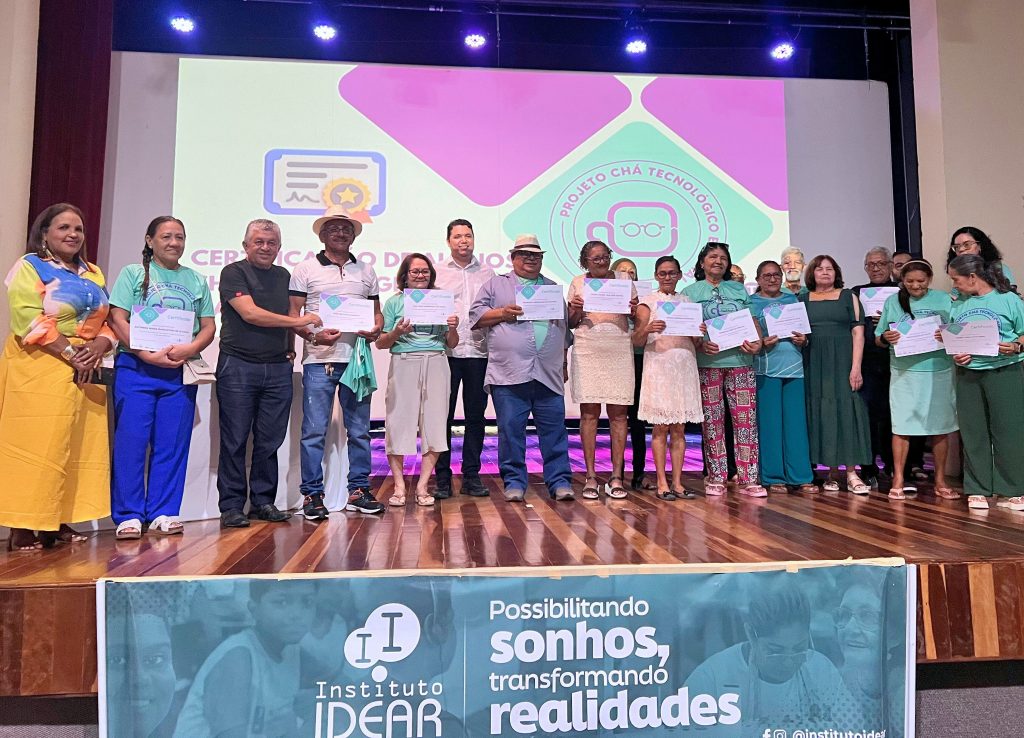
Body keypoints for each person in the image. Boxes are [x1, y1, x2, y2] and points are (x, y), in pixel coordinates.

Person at [0, 203, 114, 550]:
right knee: (35, 445)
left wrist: (101, 343)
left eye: (78, 229)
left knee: (74, 447)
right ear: (44, 233)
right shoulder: (29, 266)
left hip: (86, 370)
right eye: (64, 228)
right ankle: (23, 524)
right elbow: (28, 319)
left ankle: (57, 519)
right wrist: (71, 354)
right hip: (39, 366)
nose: (73, 234)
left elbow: (105, 320)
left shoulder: (93, 272)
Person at [108, 216, 216, 539]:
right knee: (130, 443)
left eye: (179, 237)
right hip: (136, 368)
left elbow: (208, 326)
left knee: (172, 443)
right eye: (167, 236)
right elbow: (117, 318)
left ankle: (164, 511)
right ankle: (128, 514)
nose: (174, 243)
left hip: (178, 371)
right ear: (150, 240)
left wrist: (190, 348)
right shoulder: (132, 273)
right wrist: (144, 352)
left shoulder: (196, 279)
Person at [216, 219, 323, 528]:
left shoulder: (283, 276)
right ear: (246, 245)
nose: (265, 247)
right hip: (238, 365)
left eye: (271, 243)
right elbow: (251, 314)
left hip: (277, 367)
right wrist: (300, 323)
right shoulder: (233, 272)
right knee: (235, 439)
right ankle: (232, 506)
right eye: (259, 242)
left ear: (279, 247)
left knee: (270, 439)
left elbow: (288, 316)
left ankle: (263, 501)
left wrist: (297, 343)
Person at [289, 206, 385, 515]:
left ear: (354, 235)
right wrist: (314, 337)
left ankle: (359, 490)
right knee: (314, 431)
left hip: (357, 359)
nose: (341, 233)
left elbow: (377, 314)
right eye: (333, 228)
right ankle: (312, 495)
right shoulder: (305, 269)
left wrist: (376, 329)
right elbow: (293, 316)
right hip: (319, 360)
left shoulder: (366, 271)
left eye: (346, 229)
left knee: (359, 431)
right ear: (322, 235)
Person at [469, 234, 574, 503]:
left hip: (548, 373)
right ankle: (514, 481)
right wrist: (503, 313)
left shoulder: (552, 288)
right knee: (511, 431)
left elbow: (563, 331)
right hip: (509, 373)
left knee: (555, 431)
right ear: (513, 257)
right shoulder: (495, 285)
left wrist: (563, 363)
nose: (530, 259)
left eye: (535, 255)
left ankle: (559, 481)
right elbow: (476, 317)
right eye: (524, 254)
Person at [686, 582, 860, 737]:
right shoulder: (711, 679)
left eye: (799, 649)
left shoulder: (821, 671)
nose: (789, 662)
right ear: (751, 635)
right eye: (775, 651)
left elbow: (855, 729)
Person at [173, 579, 316, 738]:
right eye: (281, 602)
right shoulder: (237, 658)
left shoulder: (292, 651)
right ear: (254, 609)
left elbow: (336, 686)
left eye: (307, 602)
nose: (297, 614)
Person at [682, 242, 767, 498]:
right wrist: (699, 343)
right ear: (702, 263)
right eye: (712, 257)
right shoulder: (690, 292)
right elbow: (687, 327)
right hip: (708, 364)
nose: (718, 261)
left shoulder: (738, 289)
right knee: (712, 422)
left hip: (741, 363)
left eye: (723, 257)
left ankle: (749, 478)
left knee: (746, 422)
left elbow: (753, 320)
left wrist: (758, 342)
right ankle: (716, 476)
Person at [942, 254, 1024, 511]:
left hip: (1005, 370)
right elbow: (954, 337)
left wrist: (1016, 345)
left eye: (956, 279)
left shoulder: (1008, 299)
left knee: (1009, 430)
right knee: (973, 431)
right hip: (969, 374)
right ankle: (977, 488)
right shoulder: (958, 305)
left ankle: (1012, 489)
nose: (954, 285)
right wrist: (957, 353)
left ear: (972, 277)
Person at [377, 254, 459, 507]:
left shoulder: (441, 300)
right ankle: (399, 486)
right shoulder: (394, 302)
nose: (421, 275)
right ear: (405, 275)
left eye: (425, 271)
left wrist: (453, 327)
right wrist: (397, 331)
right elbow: (381, 343)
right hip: (404, 361)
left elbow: (452, 343)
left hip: (437, 360)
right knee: (398, 423)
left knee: (435, 423)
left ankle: (423, 485)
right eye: (415, 271)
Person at [874, 260, 958, 500]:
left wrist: (947, 334)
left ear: (929, 279)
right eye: (910, 281)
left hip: (938, 370)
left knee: (940, 427)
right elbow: (878, 338)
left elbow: (959, 330)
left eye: (921, 281)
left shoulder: (944, 299)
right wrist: (886, 338)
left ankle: (940, 481)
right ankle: (898, 479)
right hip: (904, 372)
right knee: (902, 426)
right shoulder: (893, 301)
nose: (915, 285)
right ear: (902, 280)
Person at [567, 240, 635, 499]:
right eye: (596, 258)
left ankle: (617, 476)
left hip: (619, 348)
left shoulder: (623, 279)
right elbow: (572, 322)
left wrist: (633, 310)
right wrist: (575, 309)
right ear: (585, 262)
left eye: (605, 256)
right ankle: (591, 476)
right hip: (588, 349)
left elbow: (634, 316)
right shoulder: (578, 282)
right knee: (589, 414)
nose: (602, 261)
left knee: (619, 415)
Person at [631, 256, 703, 499]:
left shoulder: (688, 303)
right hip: (659, 368)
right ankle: (662, 482)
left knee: (680, 428)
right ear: (656, 275)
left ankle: (678, 483)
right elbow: (636, 341)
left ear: (680, 275)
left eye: (672, 273)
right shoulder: (647, 303)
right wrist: (647, 329)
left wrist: (699, 333)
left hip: (684, 366)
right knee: (661, 427)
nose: (667, 277)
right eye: (662, 273)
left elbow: (698, 343)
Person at [800, 255, 873, 492]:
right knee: (823, 412)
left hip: (843, 362)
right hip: (814, 363)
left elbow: (858, 333)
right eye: (819, 268)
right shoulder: (802, 299)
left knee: (847, 411)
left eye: (829, 268)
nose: (825, 272)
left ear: (836, 272)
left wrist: (856, 367)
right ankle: (830, 471)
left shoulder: (848, 296)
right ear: (811, 273)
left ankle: (851, 473)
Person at [432, 219, 494, 499]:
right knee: (442, 417)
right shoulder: (437, 272)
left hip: (479, 352)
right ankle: (442, 478)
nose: (463, 241)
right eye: (457, 236)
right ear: (448, 241)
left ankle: (471, 475)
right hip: (446, 352)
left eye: (468, 235)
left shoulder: (488, 273)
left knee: (476, 417)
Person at [750, 261, 816, 494]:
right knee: (770, 425)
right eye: (767, 275)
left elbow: (804, 335)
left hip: (795, 369)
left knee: (796, 425)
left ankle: (801, 476)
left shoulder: (793, 300)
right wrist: (761, 343)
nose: (772, 279)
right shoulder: (750, 303)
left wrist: (803, 340)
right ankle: (773, 476)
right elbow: (749, 339)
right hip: (766, 370)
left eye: (776, 275)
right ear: (758, 279)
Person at [851, 246, 899, 489]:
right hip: (866, 364)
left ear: (890, 266)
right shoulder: (856, 293)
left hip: (897, 363)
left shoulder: (901, 292)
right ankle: (868, 468)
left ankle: (896, 467)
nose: (876, 268)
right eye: (871, 264)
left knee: (894, 417)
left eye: (881, 263)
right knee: (866, 417)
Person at [612, 258, 654, 491]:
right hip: (615, 357)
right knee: (616, 418)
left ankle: (639, 473)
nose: (628, 275)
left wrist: (637, 313)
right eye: (623, 271)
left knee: (638, 420)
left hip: (639, 358)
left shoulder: (646, 301)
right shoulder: (605, 294)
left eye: (632, 272)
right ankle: (614, 474)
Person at [946, 226, 1016, 299]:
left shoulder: (1000, 269)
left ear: (980, 246)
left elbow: (1011, 298)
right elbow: (954, 298)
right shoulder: (958, 273)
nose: (961, 249)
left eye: (967, 245)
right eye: (957, 247)